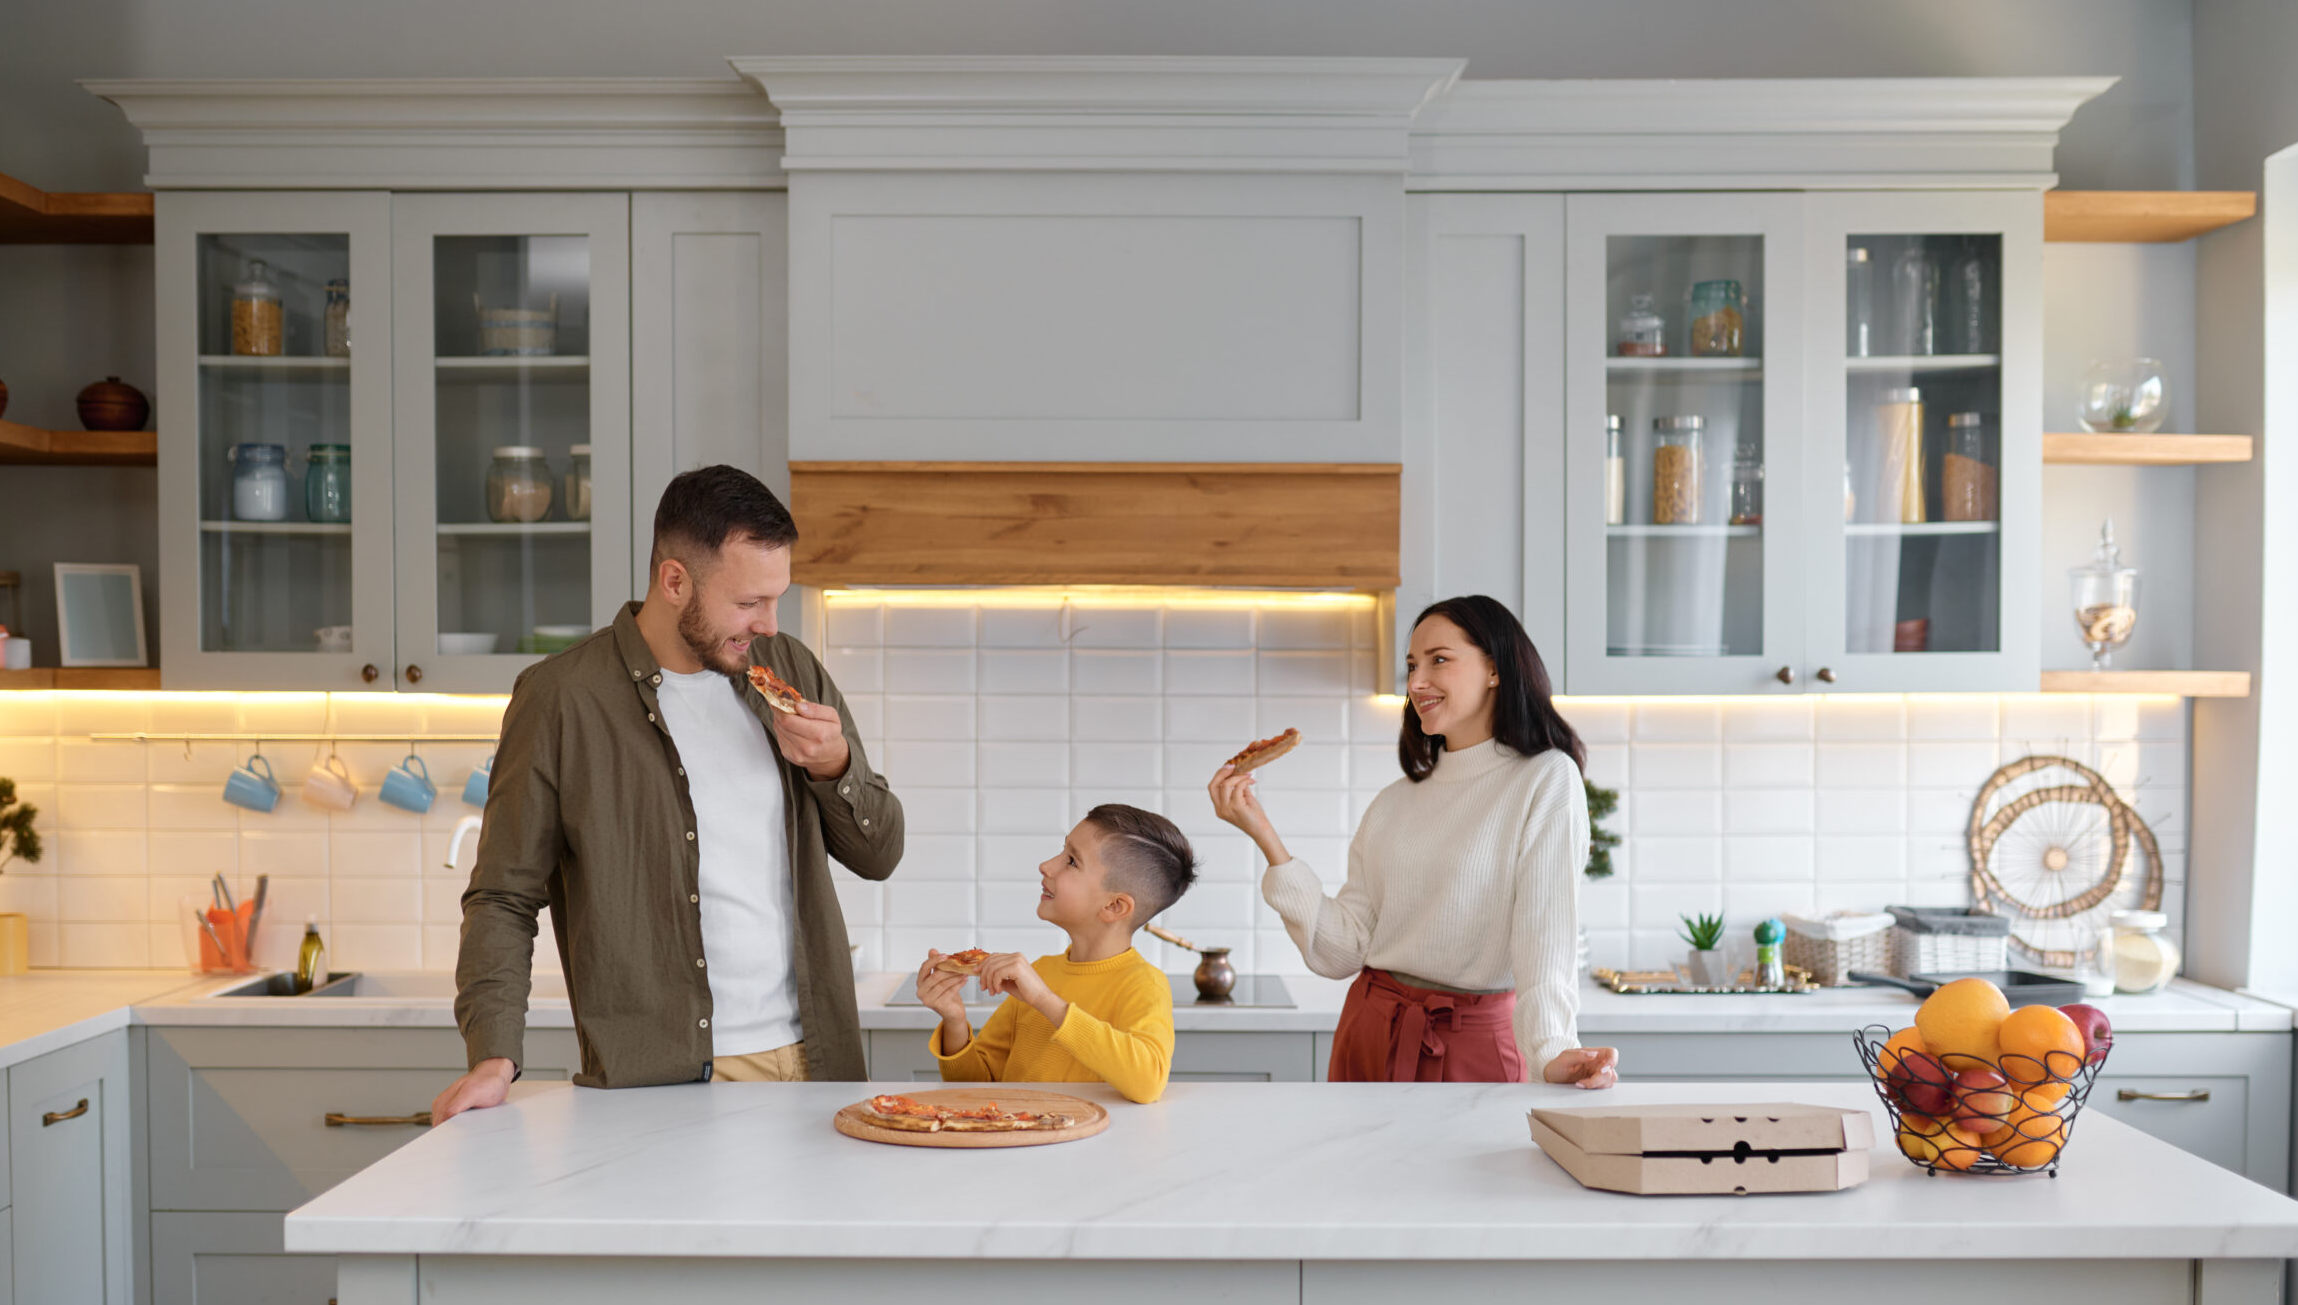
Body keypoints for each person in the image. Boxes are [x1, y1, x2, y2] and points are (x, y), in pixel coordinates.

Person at [433, 465, 903, 1121]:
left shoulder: (790, 670)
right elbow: (503, 897)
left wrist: (836, 765)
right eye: (747, 603)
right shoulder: (561, 699)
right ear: (674, 580)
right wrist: (493, 1055)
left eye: (776, 598)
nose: (768, 623)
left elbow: (880, 853)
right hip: (656, 1080)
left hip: (812, 1063)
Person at [1209, 594, 1618, 1088]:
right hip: (1368, 1027)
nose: (1417, 682)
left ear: (1495, 668)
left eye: (1438, 660)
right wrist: (1265, 835)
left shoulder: (1545, 779)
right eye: (1411, 666)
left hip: (1472, 1043)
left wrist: (1553, 1048)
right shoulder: (1394, 802)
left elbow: (1545, 931)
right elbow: (1342, 953)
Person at [913, 804, 1196, 1105]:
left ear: (1114, 907)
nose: (1046, 865)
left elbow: (1148, 1083)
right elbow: (979, 1088)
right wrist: (955, 1023)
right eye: (1062, 852)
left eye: (1072, 861)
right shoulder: (1041, 973)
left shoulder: (1143, 984)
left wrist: (1044, 1000)